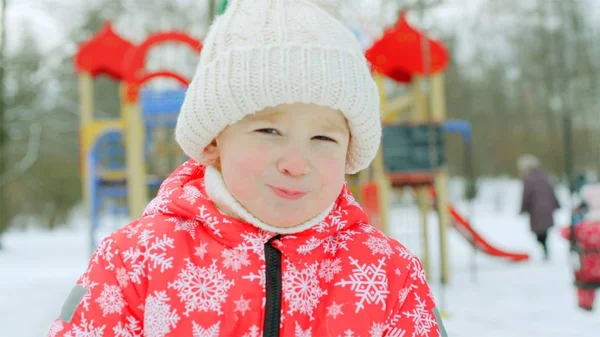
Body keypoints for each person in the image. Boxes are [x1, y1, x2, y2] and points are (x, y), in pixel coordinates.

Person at [47, 1, 447, 336]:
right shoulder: (136, 262)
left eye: (323, 139)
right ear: (213, 140)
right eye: (269, 130)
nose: (295, 163)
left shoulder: (387, 272)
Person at [560, 184, 600, 311]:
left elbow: (564, 233)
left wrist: (574, 219)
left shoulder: (581, 227)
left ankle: (585, 304)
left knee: (583, 285)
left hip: (586, 270)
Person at [518, 154, 560, 260]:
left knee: (539, 233)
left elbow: (526, 196)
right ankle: (545, 249)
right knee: (544, 232)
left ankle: (545, 250)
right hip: (547, 209)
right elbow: (552, 191)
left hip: (536, 210)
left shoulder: (528, 179)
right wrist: (557, 204)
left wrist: (522, 209)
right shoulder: (545, 176)